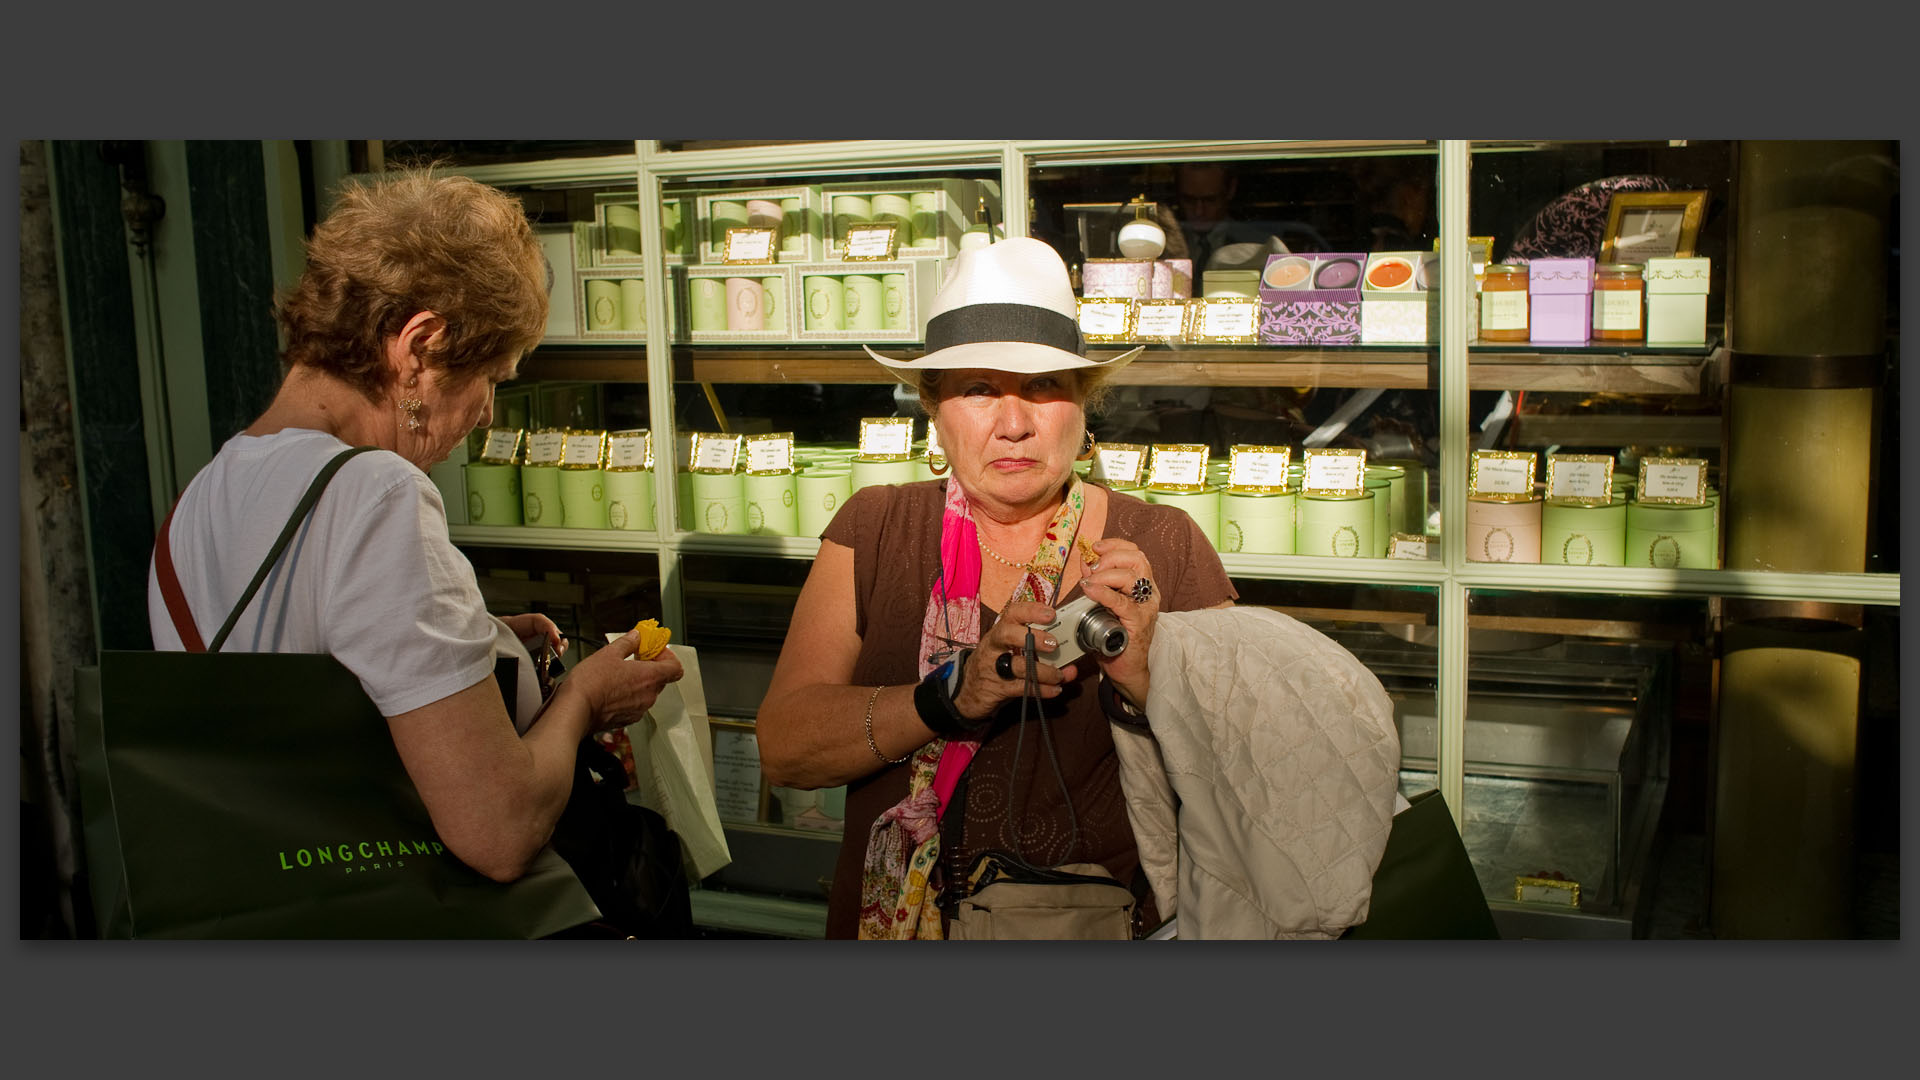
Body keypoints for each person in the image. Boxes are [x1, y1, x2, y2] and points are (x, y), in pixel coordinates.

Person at [147, 170, 685, 888]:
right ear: (419, 347)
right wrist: (583, 700)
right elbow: (499, 830)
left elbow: (304, 661)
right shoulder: (377, 493)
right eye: (492, 376)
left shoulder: (205, 493)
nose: (489, 412)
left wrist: (476, 637)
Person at [756, 238, 1238, 939]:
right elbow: (784, 750)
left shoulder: (1164, 545)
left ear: (1082, 407)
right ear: (934, 409)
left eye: (1043, 386)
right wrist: (951, 696)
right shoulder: (877, 527)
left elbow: (1248, 774)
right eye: (979, 389)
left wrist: (1144, 680)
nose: (1014, 423)